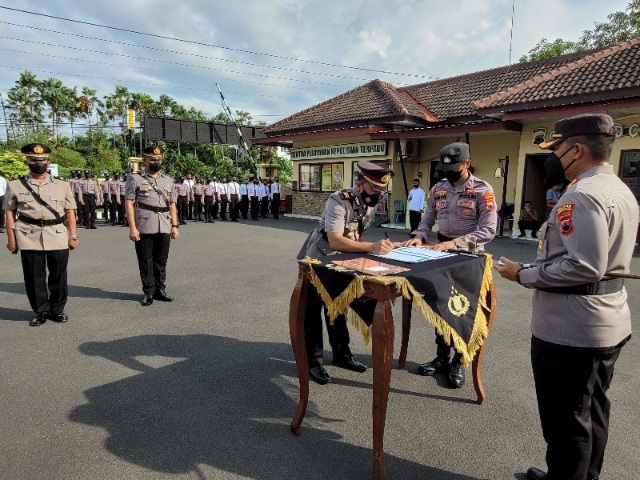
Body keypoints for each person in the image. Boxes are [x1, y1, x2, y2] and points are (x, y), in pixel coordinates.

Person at [494, 114, 638, 480]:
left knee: (566, 420)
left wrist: (522, 274)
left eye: (556, 148)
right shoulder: (618, 188)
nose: (553, 156)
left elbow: (584, 267)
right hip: (605, 320)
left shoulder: (583, 195)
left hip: (572, 328)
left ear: (577, 149)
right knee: (591, 410)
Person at [404, 142, 497, 388]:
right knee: (441, 307)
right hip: (440, 253)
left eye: (455, 167)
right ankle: (442, 357)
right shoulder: (439, 189)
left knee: (464, 311)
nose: (449, 172)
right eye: (445, 168)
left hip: (469, 257)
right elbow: (428, 218)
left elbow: (488, 230)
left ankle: (459, 360)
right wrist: (419, 235)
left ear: (467, 164)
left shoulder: (482, 191)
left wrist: (454, 244)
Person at [297, 161, 396, 385]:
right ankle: (313, 361)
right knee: (313, 311)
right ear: (360, 184)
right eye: (373, 189)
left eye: (382, 190)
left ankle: (342, 354)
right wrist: (371, 248)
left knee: (338, 305)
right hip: (318, 258)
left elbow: (357, 236)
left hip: (343, 260)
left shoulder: (370, 204)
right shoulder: (339, 200)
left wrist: (363, 257)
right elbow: (335, 239)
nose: (378, 194)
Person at [3, 143, 79, 326]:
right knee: (34, 276)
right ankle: (41, 311)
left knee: (59, 276)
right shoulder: (14, 185)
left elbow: (70, 212)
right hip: (29, 236)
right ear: (26, 162)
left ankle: (58, 310)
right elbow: (9, 214)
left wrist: (73, 235)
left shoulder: (62, 185)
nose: (38, 163)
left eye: (42, 160)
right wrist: (11, 240)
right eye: (34, 160)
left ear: (48, 162)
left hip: (57, 234)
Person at [125, 145, 179, 306]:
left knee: (161, 260)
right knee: (145, 259)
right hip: (144, 223)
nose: (156, 161)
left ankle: (160, 289)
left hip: (164, 223)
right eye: (152, 159)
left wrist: (175, 225)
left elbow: (172, 204)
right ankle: (148, 291)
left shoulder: (168, 180)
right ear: (145, 160)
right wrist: (132, 227)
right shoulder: (134, 178)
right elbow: (129, 203)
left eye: (159, 159)